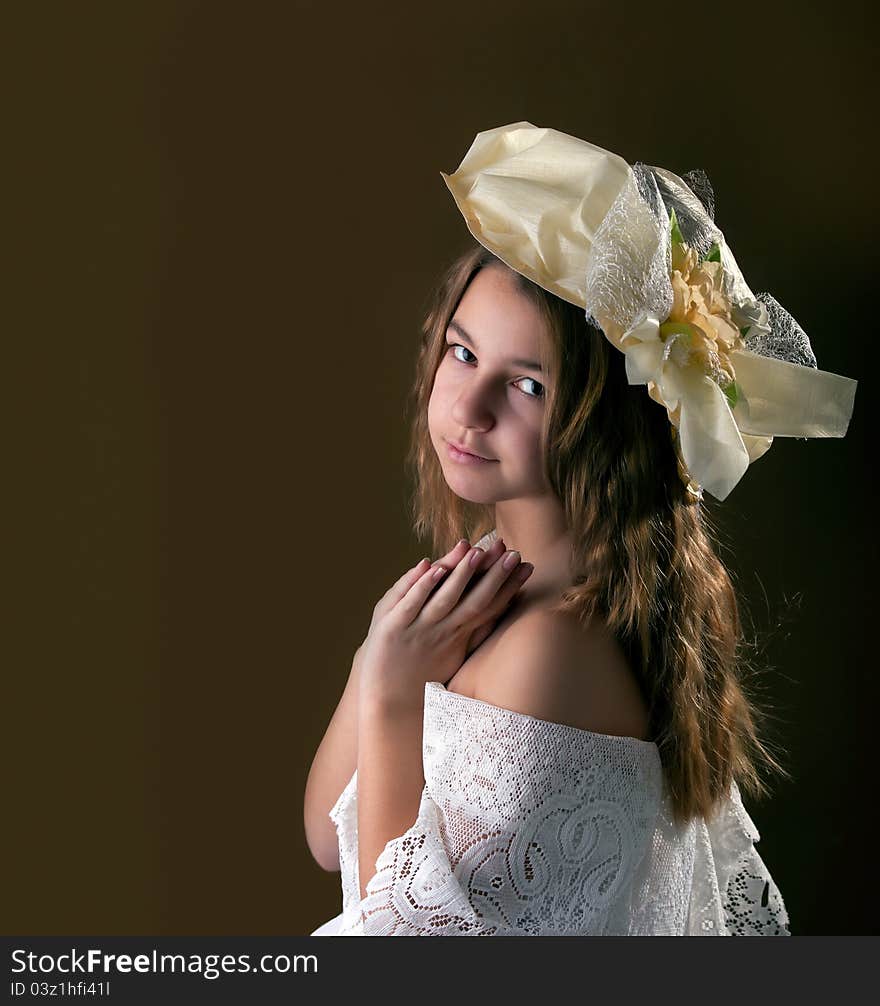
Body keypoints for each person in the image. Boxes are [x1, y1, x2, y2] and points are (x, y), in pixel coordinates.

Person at [303, 123, 857, 936]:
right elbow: (331, 839)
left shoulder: (551, 649)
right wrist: (378, 663)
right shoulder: (496, 590)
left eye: (525, 385)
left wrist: (391, 691)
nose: (469, 406)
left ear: (603, 425)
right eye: (461, 354)